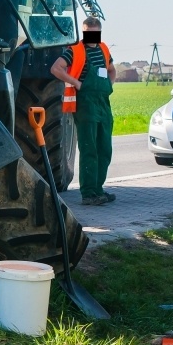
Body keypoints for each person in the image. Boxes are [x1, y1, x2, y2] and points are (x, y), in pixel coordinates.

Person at [50, 16, 117, 205]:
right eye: (87, 32)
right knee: (89, 148)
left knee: (104, 148)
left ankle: (98, 190)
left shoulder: (104, 49)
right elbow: (56, 68)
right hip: (85, 103)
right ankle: (88, 194)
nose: (90, 36)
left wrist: (108, 86)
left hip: (103, 103)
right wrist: (77, 83)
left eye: (93, 33)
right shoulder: (74, 51)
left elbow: (111, 70)